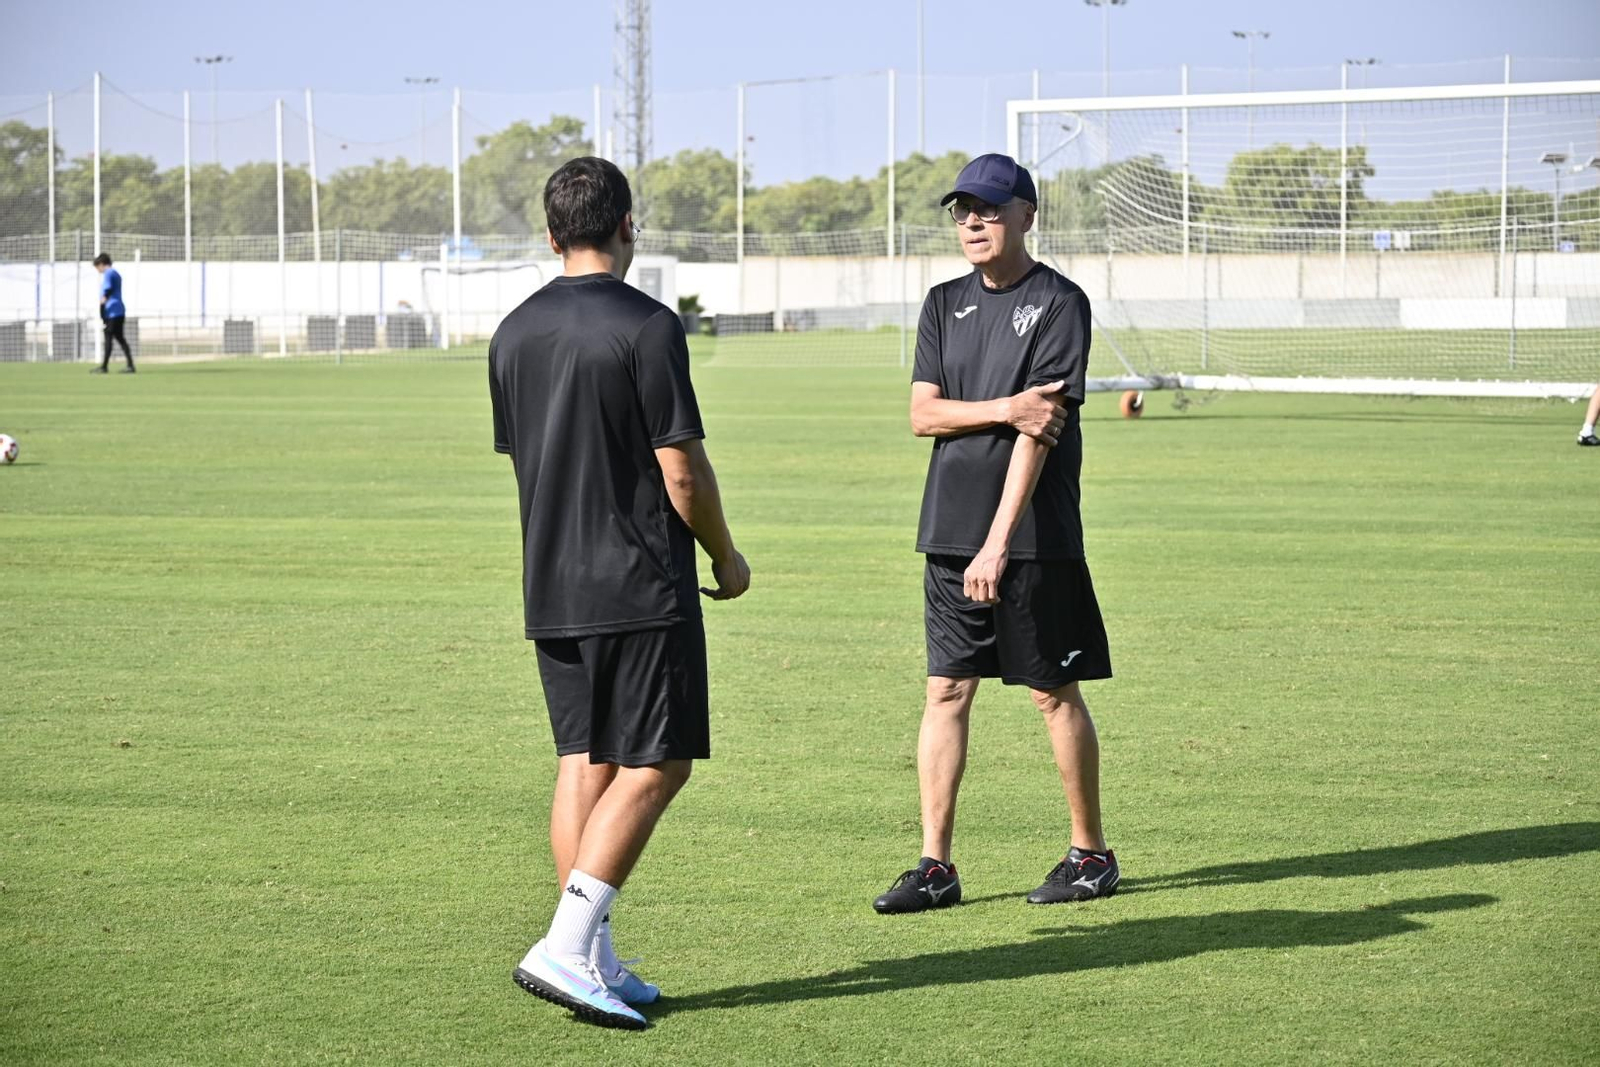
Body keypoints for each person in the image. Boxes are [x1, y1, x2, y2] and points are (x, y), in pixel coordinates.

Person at [489, 157, 750, 1030]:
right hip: (640, 578)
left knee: (584, 761)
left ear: (551, 233)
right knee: (658, 761)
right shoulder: (648, 325)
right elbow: (681, 468)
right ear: (628, 225)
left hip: (552, 580)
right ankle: (564, 945)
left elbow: (529, 458)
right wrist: (726, 553)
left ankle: (592, 955)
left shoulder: (511, 333)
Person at [872, 153, 1118, 915]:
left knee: (1051, 691)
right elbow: (923, 414)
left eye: (988, 208)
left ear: (1026, 216)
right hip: (948, 532)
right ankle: (935, 866)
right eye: (961, 211)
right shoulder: (943, 303)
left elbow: (1040, 431)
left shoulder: (1058, 303)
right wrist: (1003, 406)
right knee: (946, 688)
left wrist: (998, 539)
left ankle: (1090, 855)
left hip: (1030, 539)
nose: (972, 222)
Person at [91, 253, 135, 373]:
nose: (98, 270)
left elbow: (108, 288)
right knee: (120, 338)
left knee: (109, 337)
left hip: (112, 312)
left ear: (101, 264)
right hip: (119, 311)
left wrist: (102, 302)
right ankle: (130, 365)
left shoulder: (109, 273)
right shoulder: (116, 273)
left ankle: (104, 367)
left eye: (97, 267)